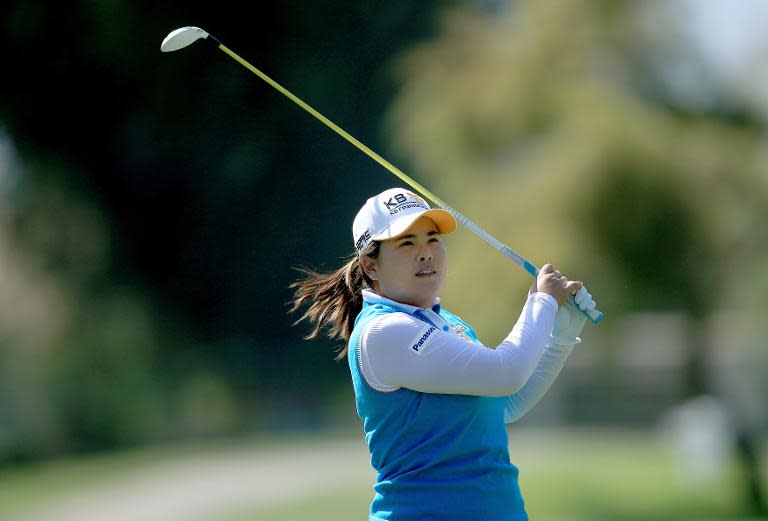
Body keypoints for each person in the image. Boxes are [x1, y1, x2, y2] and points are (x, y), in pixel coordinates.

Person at [291, 187, 597, 521]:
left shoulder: (447, 323)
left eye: (432, 239)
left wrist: (559, 337)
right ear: (370, 266)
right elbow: (506, 372)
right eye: (407, 243)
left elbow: (505, 403)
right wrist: (542, 301)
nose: (425, 253)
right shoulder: (383, 332)